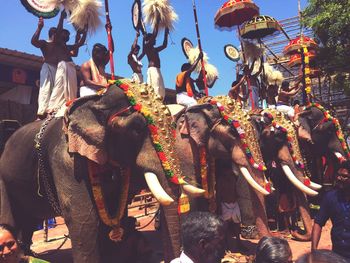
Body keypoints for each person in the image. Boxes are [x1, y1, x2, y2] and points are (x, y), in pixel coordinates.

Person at [47, 10, 87, 116]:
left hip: (71, 67)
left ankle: (70, 106)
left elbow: (80, 44)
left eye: (68, 34)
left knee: (72, 88)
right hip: (62, 66)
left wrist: (85, 31)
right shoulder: (57, 43)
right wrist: (61, 17)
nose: (67, 35)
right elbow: (59, 29)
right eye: (65, 33)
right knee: (59, 86)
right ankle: (52, 108)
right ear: (60, 35)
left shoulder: (68, 47)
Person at [311, 162, 350, 259]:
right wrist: (314, 250)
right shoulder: (330, 197)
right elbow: (318, 223)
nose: (339, 179)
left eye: (344, 176)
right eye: (338, 175)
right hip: (338, 254)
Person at [31, 17, 57, 119]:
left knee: (56, 92)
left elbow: (74, 53)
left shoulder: (60, 46)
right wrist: (39, 28)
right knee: (45, 90)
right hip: (48, 68)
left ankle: (53, 111)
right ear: (53, 35)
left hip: (58, 70)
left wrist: (79, 36)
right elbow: (33, 41)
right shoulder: (45, 43)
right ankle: (41, 113)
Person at [216, 163, 244, 251]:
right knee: (225, 225)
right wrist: (219, 207)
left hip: (234, 204)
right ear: (224, 171)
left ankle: (239, 243)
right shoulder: (220, 181)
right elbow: (218, 195)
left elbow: (236, 190)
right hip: (225, 205)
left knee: (237, 224)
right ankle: (226, 245)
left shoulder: (233, 178)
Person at [139, 26, 169, 99]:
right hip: (153, 70)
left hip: (158, 70)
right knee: (155, 88)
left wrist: (166, 33)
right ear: (149, 40)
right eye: (154, 39)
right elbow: (154, 34)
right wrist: (157, 21)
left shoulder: (154, 49)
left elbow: (164, 45)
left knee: (161, 89)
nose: (155, 40)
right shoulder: (147, 47)